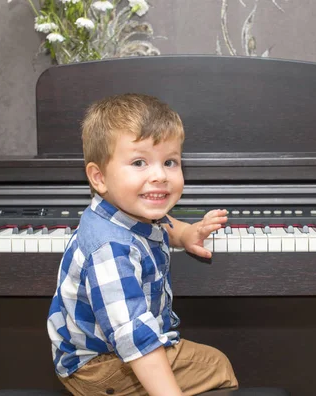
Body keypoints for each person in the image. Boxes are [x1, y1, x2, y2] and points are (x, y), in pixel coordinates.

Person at [47, 94, 239, 396]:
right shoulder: (109, 247)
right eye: (139, 162)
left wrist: (187, 234)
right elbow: (133, 336)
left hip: (101, 354)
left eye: (170, 162)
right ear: (99, 177)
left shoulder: (128, 210)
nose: (160, 175)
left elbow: (162, 223)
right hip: (101, 366)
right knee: (216, 366)